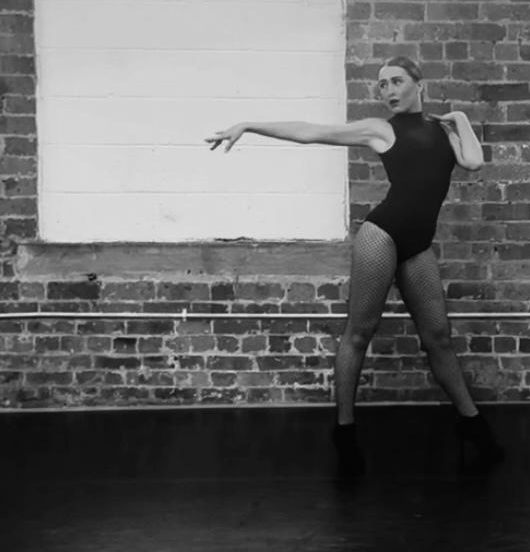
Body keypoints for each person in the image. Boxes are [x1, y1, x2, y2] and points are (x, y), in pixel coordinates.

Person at [206, 57, 504, 475]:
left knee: (438, 336)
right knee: (359, 332)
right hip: (382, 235)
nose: (389, 91)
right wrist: (250, 125)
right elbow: (312, 133)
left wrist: (460, 118)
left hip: (418, 246)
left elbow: (473, 161)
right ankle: (344, 432)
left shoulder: (443, 129)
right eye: (382, 85)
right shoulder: (380, 129)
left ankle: (472, 425)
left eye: (397, 81)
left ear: (419, 83)